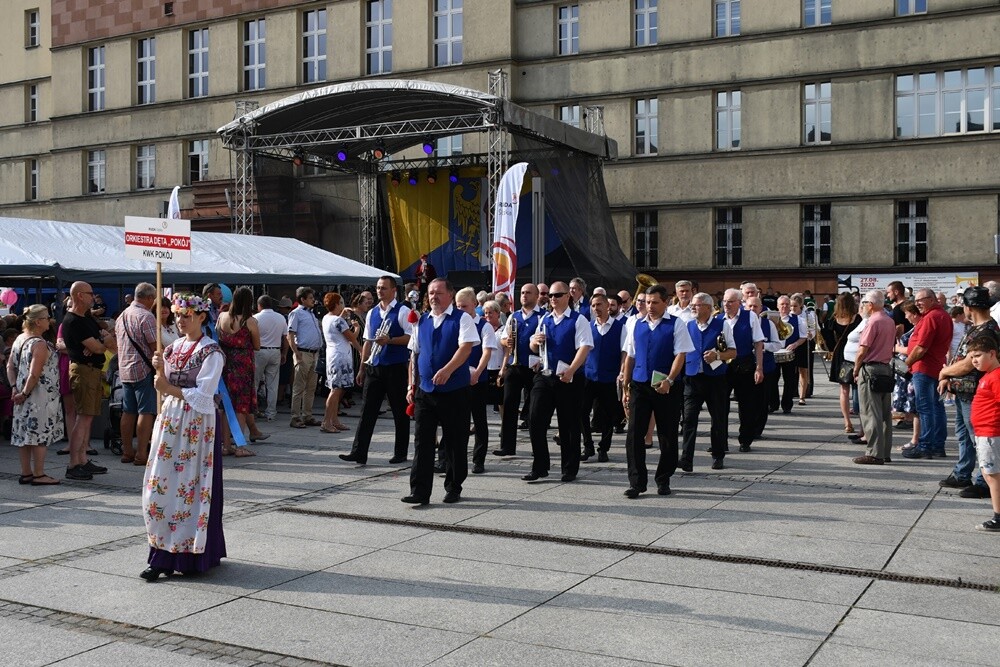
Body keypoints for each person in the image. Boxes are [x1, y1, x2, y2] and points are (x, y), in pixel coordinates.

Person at [141, 293, 227, 581]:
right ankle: (161, 551)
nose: (179, 320)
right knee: (162, 484)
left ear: (201, 317)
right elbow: (164, 384)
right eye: (177, 315)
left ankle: (191, 554)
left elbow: (205, 397)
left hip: (196, 424)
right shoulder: (173, 347)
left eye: (186, 315)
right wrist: (159, 369)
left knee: (190, 485)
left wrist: (167, 385)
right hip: (171, 419)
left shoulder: (211, 351)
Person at [402, 279, 478, 505]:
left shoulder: (461, 319)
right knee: (422, 442)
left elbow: (465, 349)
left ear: (450, 295)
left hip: (455, 391)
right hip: (425, 392)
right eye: (431, 293)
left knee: (455, 441)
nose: (433, 296)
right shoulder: (421, 321)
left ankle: (454, 486)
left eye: (438, 292)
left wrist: (447, 370)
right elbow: (413, 355)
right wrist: (410, 385)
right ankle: (420, 491)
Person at [621, 284, 693, 498]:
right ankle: (636, 482)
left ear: (665, 302)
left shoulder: (676, 324)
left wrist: (670, 380)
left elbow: (681, 355)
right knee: (634, 433)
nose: (649, 306)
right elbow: (630, 356)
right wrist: (626, 385)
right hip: (640, 384)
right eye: (646, 302)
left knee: (667, 433)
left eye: (654, 302)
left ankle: (664, 478)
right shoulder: (636, 324)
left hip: (666, 386)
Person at [523, 281, 593, 482]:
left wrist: (571, 370)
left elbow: (585, 347)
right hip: (545, 376)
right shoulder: (545, 318)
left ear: (567, 297)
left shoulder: (578, 320)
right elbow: (534, 347)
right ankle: (540, 466)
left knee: (569, 425)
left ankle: (569, 468)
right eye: (551, 295)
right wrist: (534, 343)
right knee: (535, 420)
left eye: (558, 295)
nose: (552, 299)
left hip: (568, 378)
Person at [341, 277, 413, 465]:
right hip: (375, 366)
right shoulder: (372, 312)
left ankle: (401, 452)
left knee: (399, 411)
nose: (380, 291)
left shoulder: (403, 311)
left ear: (394, 290)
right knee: (367, 411)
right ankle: (359, 452)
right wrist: (362, 367)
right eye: (378, 288)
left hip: (396, 367)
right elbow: (367, 341)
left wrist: (390, 340)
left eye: (384, 288)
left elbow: (410, 338)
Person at [937, 287, 1000, 498]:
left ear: (969, 306)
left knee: (978, 438)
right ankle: (962, 473)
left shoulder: (986, 330)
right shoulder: (976, 327)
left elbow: (968, 364)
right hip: (964, 389)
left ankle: (984, 481)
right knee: (964, 435)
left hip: (976, 391)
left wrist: (944, 372)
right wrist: (948, 376)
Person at [62, 281, 114, 480]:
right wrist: (102, 341)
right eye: (90, 293)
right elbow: (101, 347)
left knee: (88, 417)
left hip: (92, 370)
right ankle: (74, 464)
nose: (94, 296)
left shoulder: (86, 318)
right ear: (79, 296)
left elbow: (104, 335)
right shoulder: (73, 321)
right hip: (83, 370)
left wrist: (101, 339)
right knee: (82, 418)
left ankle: (82, 460)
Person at [7, 305, 63, 486]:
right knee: (39, 435)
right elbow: (34, 373)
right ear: (38, 322)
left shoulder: (19, 339)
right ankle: (39, 474)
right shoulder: (39, 343)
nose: (50, 320)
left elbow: (10, 367)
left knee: (24, 435)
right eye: (47, 317)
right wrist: (24, 392)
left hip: (22, 396)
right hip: (38, 397)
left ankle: (26, 473)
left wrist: (15, 387)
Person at [681, 293, 735, 472]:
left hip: (715, 379)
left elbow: (733, 352)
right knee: (688, 419)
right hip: (692, 378)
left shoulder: (722, 325)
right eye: (692, 305)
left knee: (718, 418)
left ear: (707, 307)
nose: (692, 308)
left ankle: (718, 455)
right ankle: (686, 458)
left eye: (696, 305)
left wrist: (717, 355)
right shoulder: (688, 325)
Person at [902, 288, 953, 459]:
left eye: (920, 301)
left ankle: (925, 446)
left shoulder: (931, 317)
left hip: (924, 367)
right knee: (937, 408)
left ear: (931, 299)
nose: (917, 304)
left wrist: (906, 364)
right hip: (936, 367)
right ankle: (938, 446)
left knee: (925, 408)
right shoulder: (943, 315)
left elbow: (922, 347)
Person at [114, 282, 159, 466]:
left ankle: (127, 451)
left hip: (124, 369)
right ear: (148, 298)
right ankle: (141, 453)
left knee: (128, 411)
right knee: (145, 411)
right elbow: (154, 346)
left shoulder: (122, 316)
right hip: (143, 369)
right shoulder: (146, 316)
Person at [494, 283, 541, 456]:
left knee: (535, 409)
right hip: (515, 365)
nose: (524, 295)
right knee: (509, 405)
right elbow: (503, 339)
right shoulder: (514, 316)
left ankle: (537, 447)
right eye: (522, 293)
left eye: (528, 293)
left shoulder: (542, 316)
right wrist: (507, 342)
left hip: (534, 368)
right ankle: (507, 445)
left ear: (536, 296)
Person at [455, 287, 497, 474]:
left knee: (479, 420)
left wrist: (478, 373)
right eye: (458, 306)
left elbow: (487, 351)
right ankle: (449, 458)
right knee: (455, 421)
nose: (461, 309)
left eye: (464, 306)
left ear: (474, 304)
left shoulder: (484, 326)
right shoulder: (455, 323)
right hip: (456, 379)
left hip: (476, 380)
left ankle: (478, 460)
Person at [851, 291, 896, 465]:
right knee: (885, 413)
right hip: (885, 368)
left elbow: (863, 348)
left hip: (870, 369)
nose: (863, 306)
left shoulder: (873, 321)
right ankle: (884, 452)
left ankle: (874, 453)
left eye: (864, 303)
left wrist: (856, 368)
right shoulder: (889, 320)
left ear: (870, 304)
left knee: (870, 412)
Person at [217, 287, 263, 453]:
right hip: (243, 366)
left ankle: (225, 445)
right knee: (241, 407)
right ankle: (240, 446)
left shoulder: (222, 317)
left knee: (224, 405)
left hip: (224, 365)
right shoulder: (249, 321)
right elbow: (257, 345)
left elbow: (218, 337)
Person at [581, 292, 625, 463]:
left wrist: (622, 372)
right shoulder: (588, 326)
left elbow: (624, 352)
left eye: (599, 305)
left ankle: (603, 448)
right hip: (589, 375)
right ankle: (587, 445)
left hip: (609, 377)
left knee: (607, 415)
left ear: (608, 306)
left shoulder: (621, 327)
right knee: (582, 411)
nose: (596, 308)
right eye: (593, 305)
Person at [721, 288, 765, 452]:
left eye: (731, 301)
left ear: (739, 303)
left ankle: (745, 440)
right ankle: (720, 440)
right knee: (720, 404)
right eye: (725, 301)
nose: (727, 304)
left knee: (746, 405)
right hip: (724, 365)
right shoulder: (719, 318)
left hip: (745, 364)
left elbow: (758, 342)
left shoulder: (750, 316)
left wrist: (759, 367)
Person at [967, 335, 1000, 530]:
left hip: (991, 433)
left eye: (978, 355)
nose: (974, 361)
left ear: (992, 353)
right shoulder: (987, 376)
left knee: (992, 474)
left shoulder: (995, 376)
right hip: (984, 433)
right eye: (972, 357)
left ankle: (998, 516)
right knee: (989, 474)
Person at [320, 292, 362, 433]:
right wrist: (356, 328)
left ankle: (334, 419)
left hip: (333, 356)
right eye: (342, 303)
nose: (344, 305)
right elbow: (351, 337)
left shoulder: (327, 318)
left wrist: (342, 315)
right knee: (336, 390)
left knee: (338, 389)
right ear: (337, 304)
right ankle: (327, 421)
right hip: (340, 357)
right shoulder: (339, 321)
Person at [286, 287, 323, 429]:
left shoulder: (311, 314)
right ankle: (295, 417)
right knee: (299, 386)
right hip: (303, 353)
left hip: (314, 353)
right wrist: (296, 353)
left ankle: (307, 415)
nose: (313, 300)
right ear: (303, 299)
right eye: (310, 298)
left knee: (311, 387)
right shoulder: (296, 314)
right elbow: (290, 334)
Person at [828, 293, 862, 434]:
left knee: (843, 390)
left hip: (839, 355)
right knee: (859, 389)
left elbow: (828, 339)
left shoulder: (833, 319)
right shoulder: (857, 318)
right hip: (854, 353)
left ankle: (847, 422)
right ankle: (862, 422)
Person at [252, 295, 288, 423]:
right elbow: (286, 338)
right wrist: (284, 353)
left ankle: (253, 411)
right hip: (275, 350)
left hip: (259, 351)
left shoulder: (255, 318)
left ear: (259, 305)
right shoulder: (281, 318)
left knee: (255, 383)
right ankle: (271, 413)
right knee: (272, 384)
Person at [776, 295, 808, 413]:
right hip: (774, 353)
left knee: (790, 380)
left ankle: (787, 405)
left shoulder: (799, 320)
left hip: (790, 354)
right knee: (773, 379)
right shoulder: (771, 319)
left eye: (787, 304)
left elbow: (803, 337)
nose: (784, 306)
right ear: (777, 306)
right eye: (782, 304)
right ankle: (773, 403)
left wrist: (795, 344)